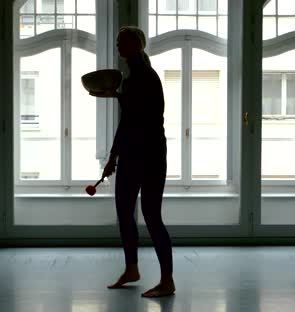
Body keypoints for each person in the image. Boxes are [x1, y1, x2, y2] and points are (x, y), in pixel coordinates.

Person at [91, 26, 175, 298]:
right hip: (133, 155)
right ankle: (132, 269)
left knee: (151, 217)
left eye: (121, 41)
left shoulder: (147, 77)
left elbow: (140, 119)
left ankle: (167, 280)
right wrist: (113, 157)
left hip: (149, 156)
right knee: (125, 215)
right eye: (116, 41)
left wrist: (117, 96)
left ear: (137, 45)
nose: (117, 45)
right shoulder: (130, 79)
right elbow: (126, 122)